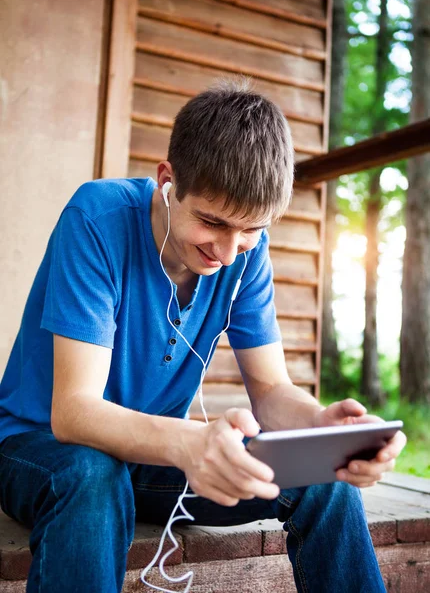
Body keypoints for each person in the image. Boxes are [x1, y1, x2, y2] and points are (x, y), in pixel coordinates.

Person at [0, 80, 405, 593]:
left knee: (325, 477)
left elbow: (272, 393)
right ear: (168, 181)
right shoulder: (97, 219)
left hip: (153, 456)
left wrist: (319, 426)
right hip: (39, 448)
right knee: (92, 476)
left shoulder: (244, 253)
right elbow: (73, 412)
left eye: (251, 230)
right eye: (212, 222)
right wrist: (192, 441)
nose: (229, 252)